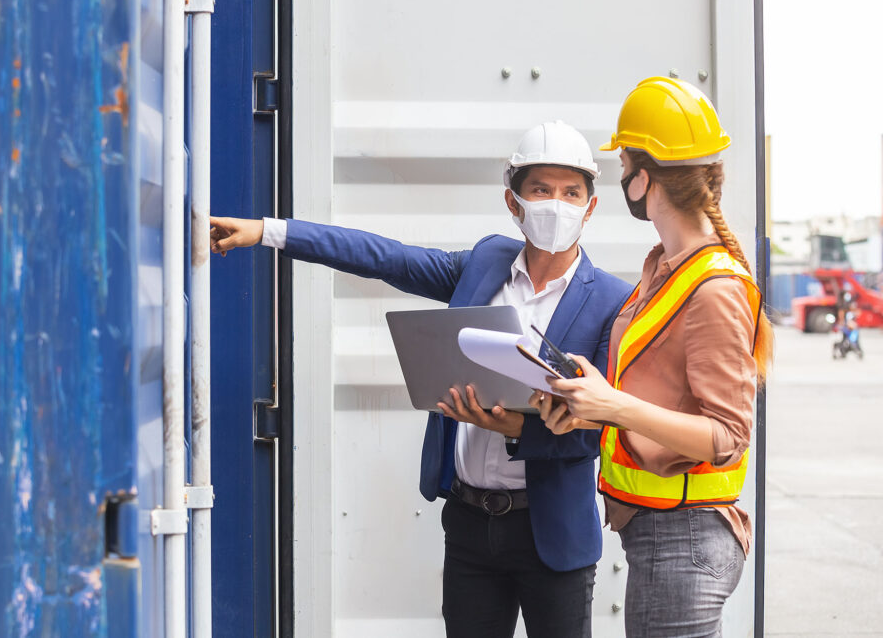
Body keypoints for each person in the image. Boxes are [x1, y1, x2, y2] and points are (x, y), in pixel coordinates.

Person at [210, 121, 632, 638]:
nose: (556, 205)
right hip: (471, 526)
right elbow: (386, 257)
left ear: (590, 207)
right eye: (541, 190)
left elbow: (601, 432)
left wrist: (516, 430)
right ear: (513, 202)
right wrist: (269, 232)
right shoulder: (484, 262)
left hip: (554, 536)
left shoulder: (612, 301)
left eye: (571, 193)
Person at [533, 77, 774, 637]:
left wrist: (613, 405)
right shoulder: (665, 271)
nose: (621, 180)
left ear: (644, 179)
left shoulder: (713, 288)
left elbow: (726, 435)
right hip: (661, 536)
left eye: (623, 168)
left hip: (684, 540)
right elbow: (658, 393)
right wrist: (588, 404)